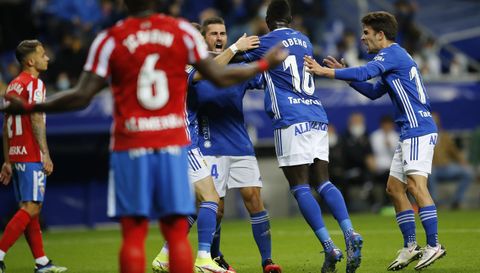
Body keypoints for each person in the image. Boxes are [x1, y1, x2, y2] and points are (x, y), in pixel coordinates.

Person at [1, 1, 288, 273]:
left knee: (134, 233)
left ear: (124, 4)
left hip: (129, 145)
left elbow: (81, 96)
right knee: (180, 226)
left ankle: (199, 257)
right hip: (174, 143)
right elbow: (219, 75)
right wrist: (263, 65)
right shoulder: (182, 34)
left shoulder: (109, 39)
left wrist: (29, 106)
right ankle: (203, 258)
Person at [304, 11, 446, 271]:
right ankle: (411, 245)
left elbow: (365, 73)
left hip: (417, 128)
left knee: (416, 186)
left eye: (366, 33)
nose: (362, 38)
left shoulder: (390, 54)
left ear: (381, 35)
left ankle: (434, 244)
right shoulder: (394, 59)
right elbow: (371, 91)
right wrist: (343, 74)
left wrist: (325, 72)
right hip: (409, 130)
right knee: (394, 188)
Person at [242, 1, 363, 272]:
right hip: (316, 114)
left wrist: (237, 49)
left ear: (267, 19)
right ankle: (351, 233)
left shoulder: (265, 41)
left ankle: (330, 247)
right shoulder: (305, 40)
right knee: (324, 181)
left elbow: (239, 63)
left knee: (300, 186)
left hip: (289, 118)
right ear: (291, 18)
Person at [152, 20, 261, 273]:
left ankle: (166, 255)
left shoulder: (165, 62)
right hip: (183, 140)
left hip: (179, 140)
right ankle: (203, 259)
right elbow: (211, 71)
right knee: (210, 198)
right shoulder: (183, 65)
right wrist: (236, 48)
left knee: (200, 201)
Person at [195, 17, 281, 273]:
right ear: (204, 38)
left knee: (254, 200)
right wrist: (235, 48)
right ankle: (213, 257)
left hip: (240, 145)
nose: (219, 38)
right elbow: (213, 73)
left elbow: (265, 77)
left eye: (222, 32)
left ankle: (267, 261)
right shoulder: (196, 68)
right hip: (210, 146)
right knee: (216, 209)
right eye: (213, 34)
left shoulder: (237, 66)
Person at [0, 40, 67, 273]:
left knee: (31, 209)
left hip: (17, 154)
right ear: (31, 61)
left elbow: (5, 124)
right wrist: (45, 154)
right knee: (31, 206)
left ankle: (41, 262)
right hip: (30, 153)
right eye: (42, 54)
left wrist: (8, 160)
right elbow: (37, 118)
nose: (47, 58)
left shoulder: (12, 86)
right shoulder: (34, 84)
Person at [429, 112, 474, 209]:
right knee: (431, 173)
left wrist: (462, 161)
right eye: (432, 119)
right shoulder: (423, 137)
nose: (434, 121)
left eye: (435, 119)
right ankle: (434, 203)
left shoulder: (445, 136)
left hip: (446, 167)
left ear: (438, 121)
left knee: (468, 173)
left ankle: (456, 201)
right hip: (432, 169)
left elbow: (453, 151)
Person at [370, 115, 400, 210]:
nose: (387, 126)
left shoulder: (396, 136)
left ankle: (395, 204)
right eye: (385, 124)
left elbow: (399, 154)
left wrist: (390, 146)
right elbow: (372, 152)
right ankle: (380, 205)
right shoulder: (375, 136)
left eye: (389, 124)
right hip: (378, 167)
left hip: (393, 167)